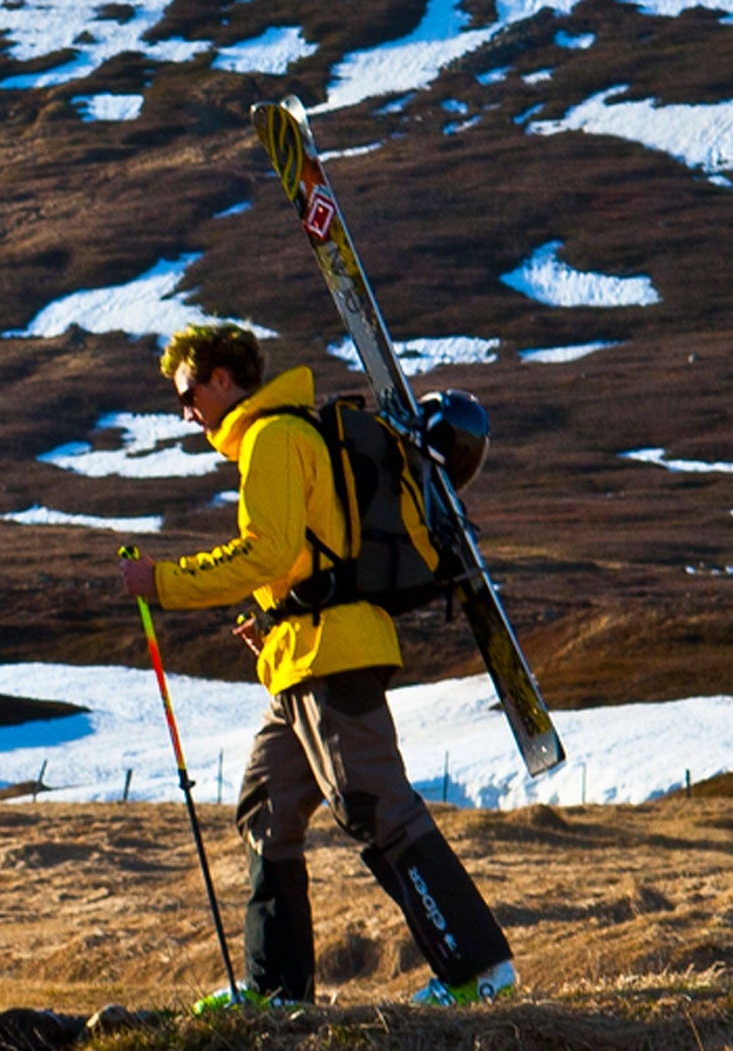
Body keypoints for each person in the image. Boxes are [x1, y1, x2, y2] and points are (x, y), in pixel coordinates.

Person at [119, 323, 514, 1009]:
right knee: (265, 811)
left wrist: (166, 583)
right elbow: (304, 562)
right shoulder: (285, 435)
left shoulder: (273, 437)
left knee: (377, 808)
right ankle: (277, 992)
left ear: (221, 379)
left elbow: (265, 553)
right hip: (302, 658)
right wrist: (273, 625)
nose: (186, 411)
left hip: (333, 659)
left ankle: (478, 970)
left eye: (188, 394)